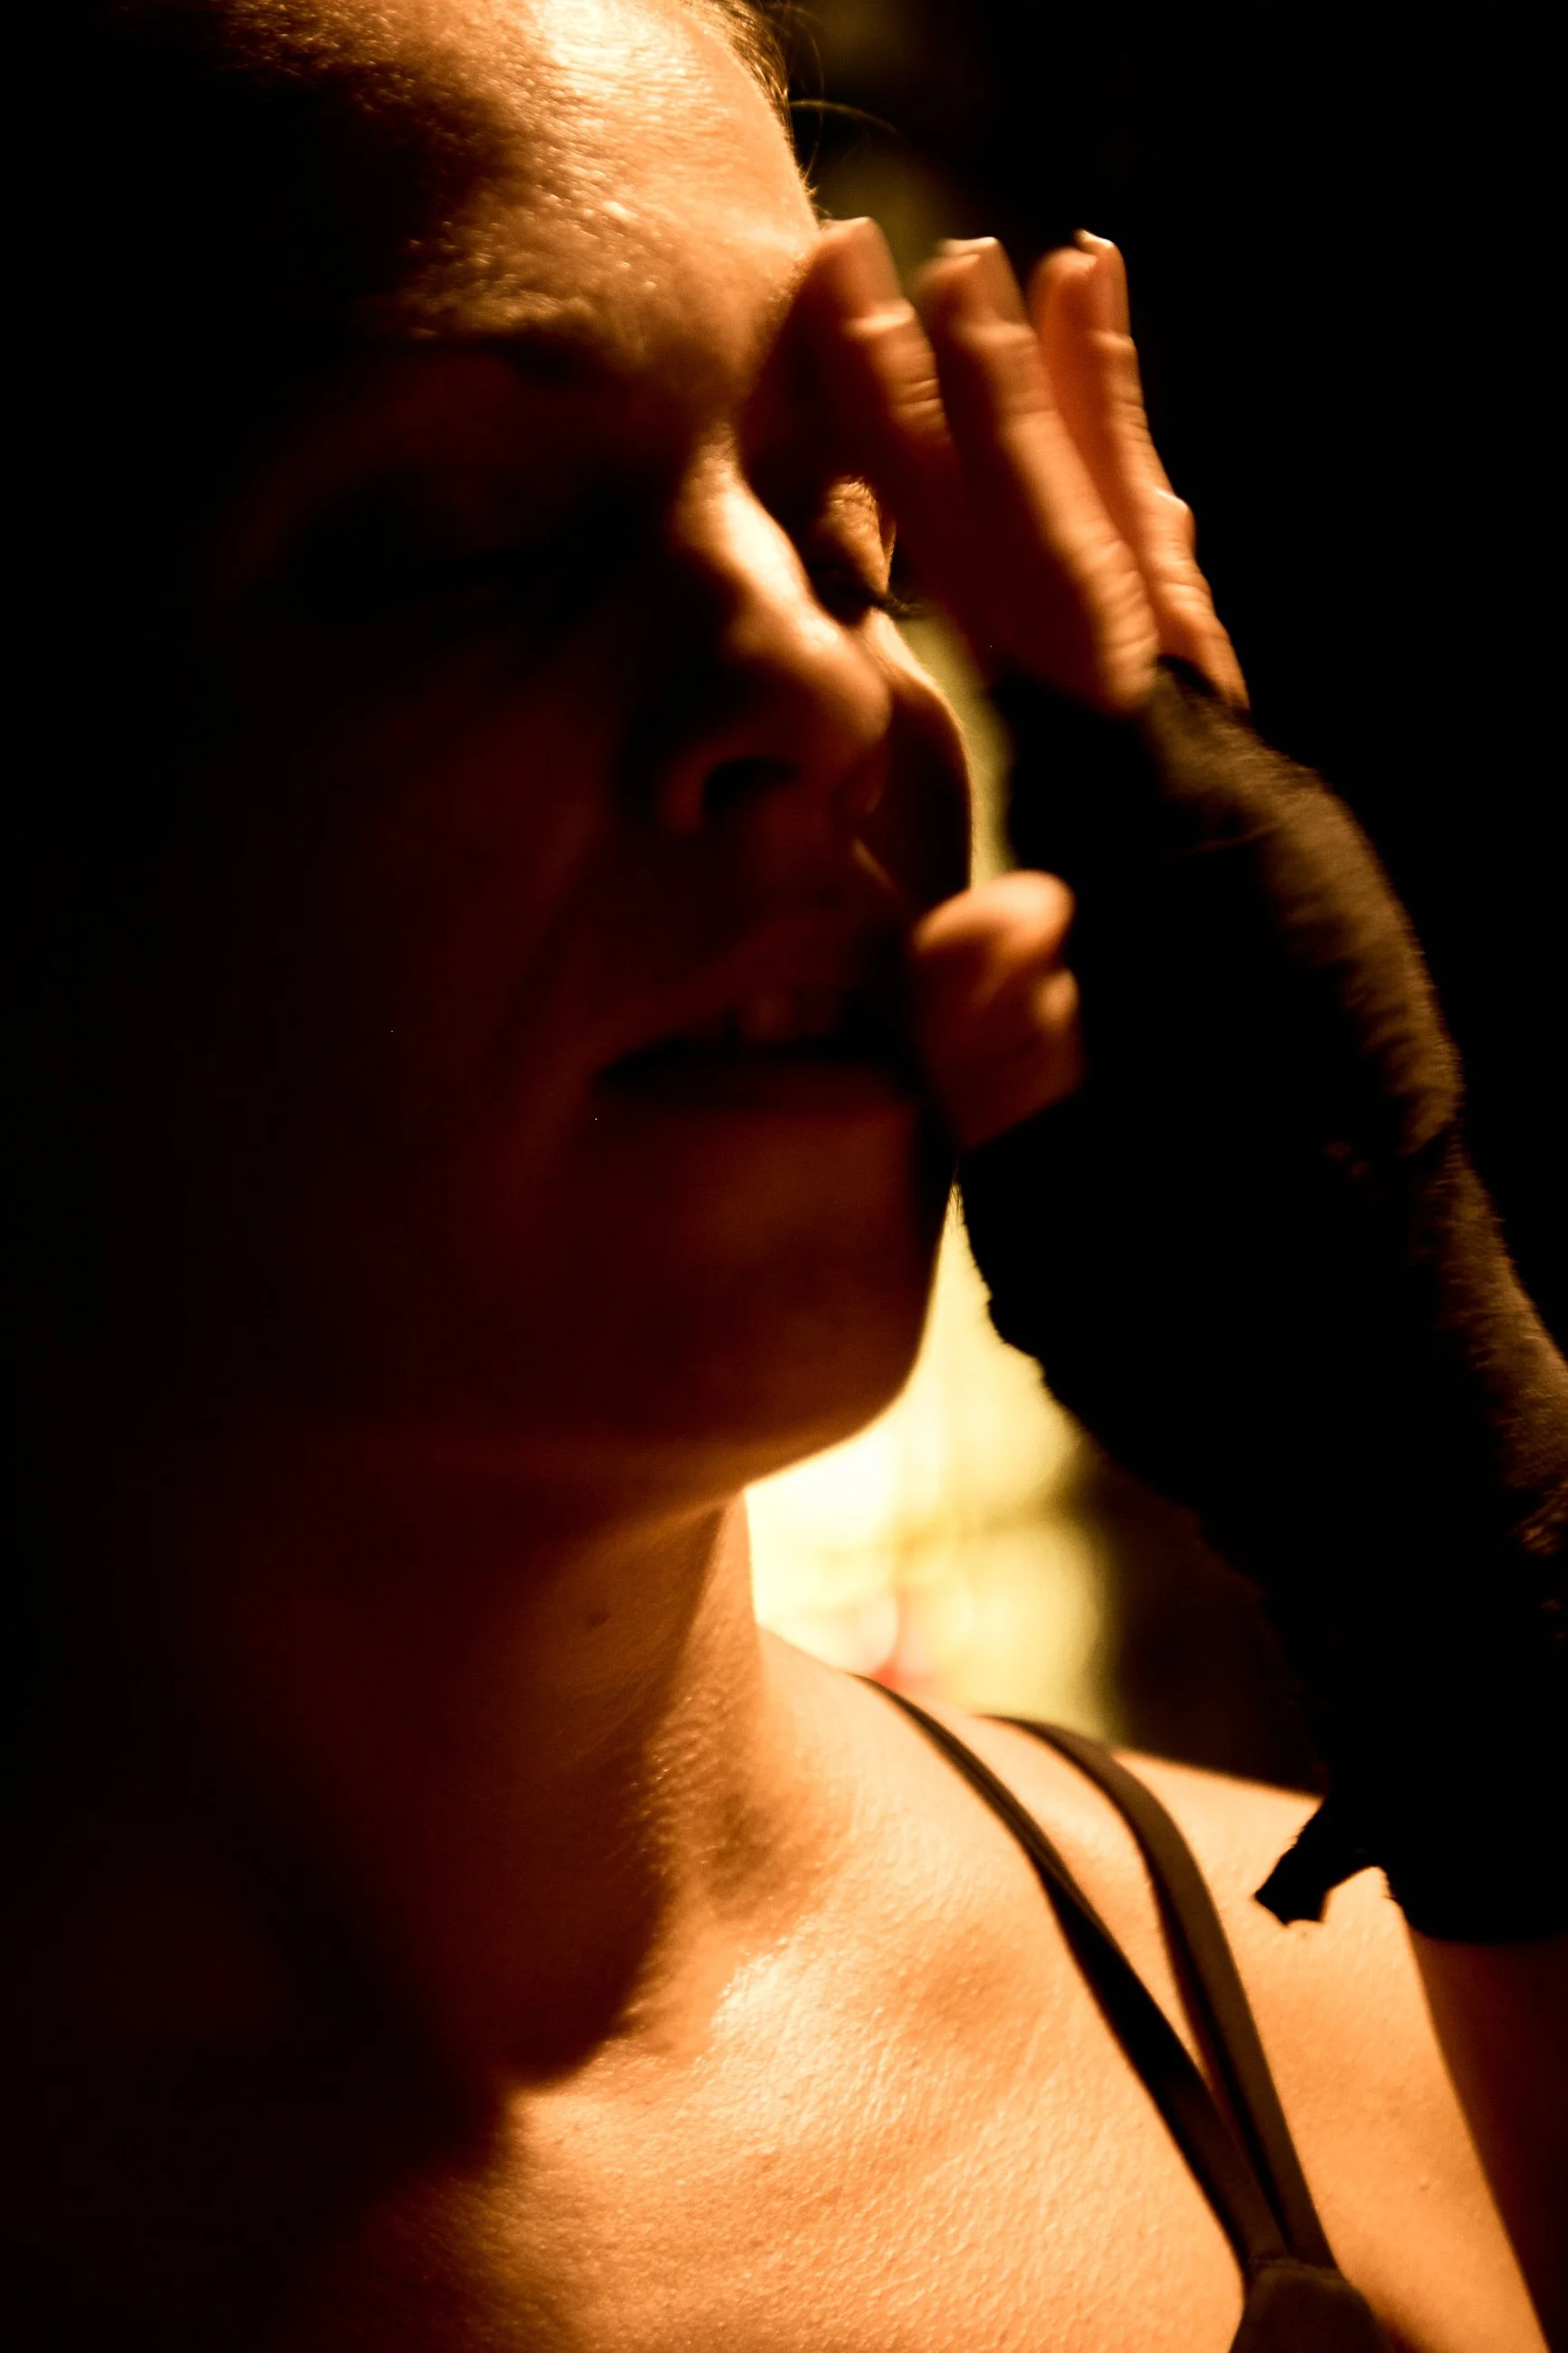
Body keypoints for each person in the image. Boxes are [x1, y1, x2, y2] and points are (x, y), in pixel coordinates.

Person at [5, 3, 1564, 2347]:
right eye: (467, 538)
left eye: (846, 538)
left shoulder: (1409, 2052)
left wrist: (1448, 1547)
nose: (829, 690)